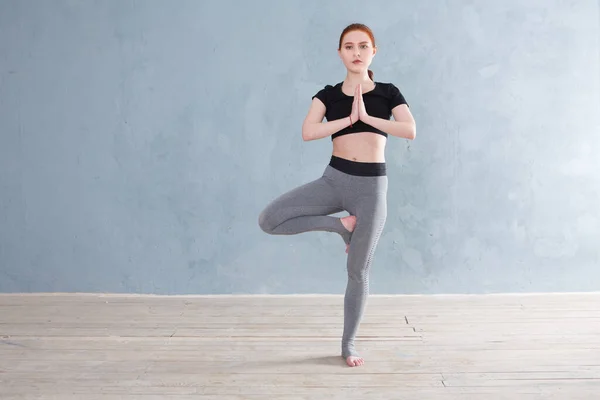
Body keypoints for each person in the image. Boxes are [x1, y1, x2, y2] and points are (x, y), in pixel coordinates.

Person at [258, 23, 416, 367]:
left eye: (363, 46)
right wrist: (347, 120)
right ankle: (338, 226)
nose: (356, 52)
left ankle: (348, 345)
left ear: (374, 51)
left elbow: (409, 129)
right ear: (340, 53)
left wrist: (368, 117)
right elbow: (308, 132)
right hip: (333, 179)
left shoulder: (388, 92)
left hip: (371, 189)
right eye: (349, 47)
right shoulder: (327, 95)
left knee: (357, 270)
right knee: (268, 220)